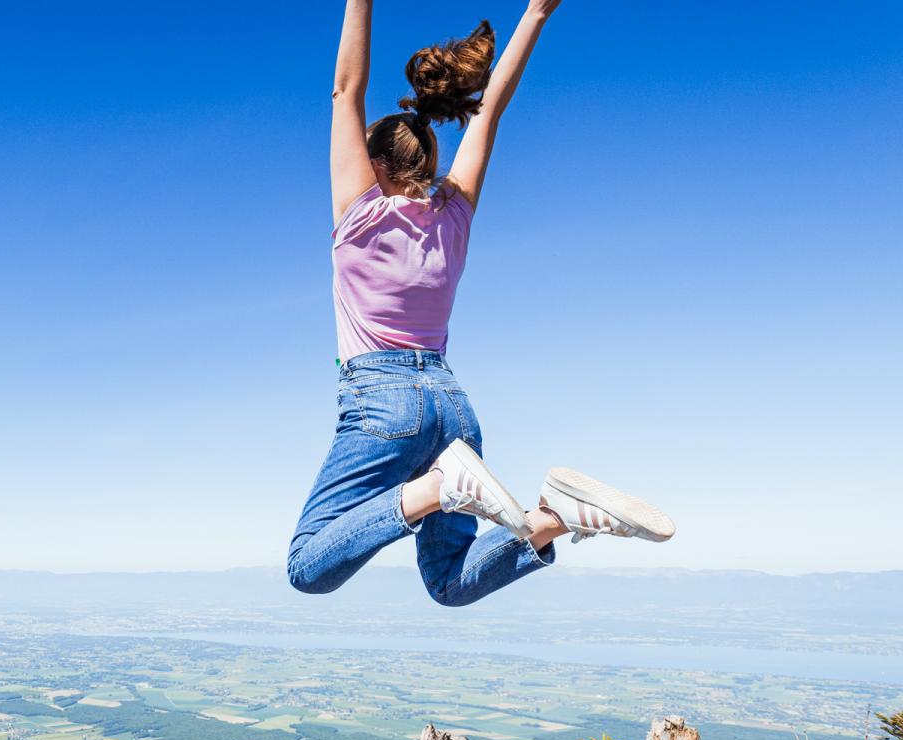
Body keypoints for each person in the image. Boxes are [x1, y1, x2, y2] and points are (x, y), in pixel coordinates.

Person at [288, 0, 673, 602]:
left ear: (377, 163)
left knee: (308, 566)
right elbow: (489, 108)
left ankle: (441, 487)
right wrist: (537, 14)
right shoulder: (455, 213)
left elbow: (346, 90)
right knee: (449, 584)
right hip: (451, 408)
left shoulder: (360, 214)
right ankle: (554, 517)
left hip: (382, 402)